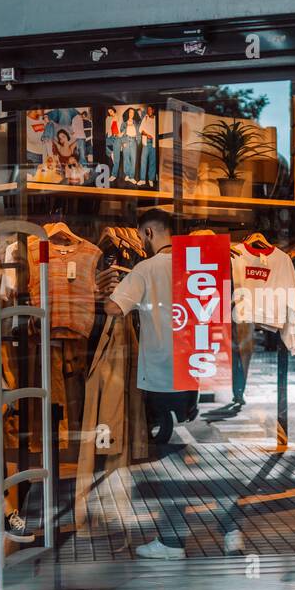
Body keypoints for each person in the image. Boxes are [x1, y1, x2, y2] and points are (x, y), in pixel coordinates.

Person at [97, 208, 244, 559]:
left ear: (147, 234)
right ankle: (232, 531)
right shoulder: (201, 264)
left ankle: (172, 541)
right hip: (204, 372)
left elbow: (114, 309)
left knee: (170, 458)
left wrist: (106, 290)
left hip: (165, 377)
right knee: (210, 456)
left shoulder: (145, 269)